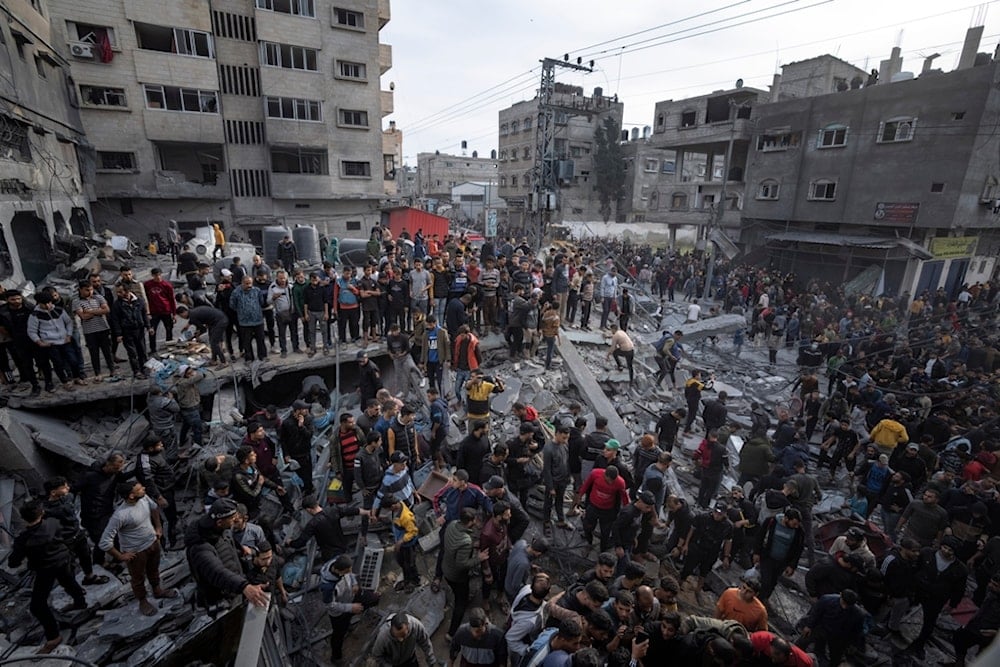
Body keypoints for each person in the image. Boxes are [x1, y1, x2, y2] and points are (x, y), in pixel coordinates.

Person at [7, 500, 88, 654]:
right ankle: (80, 602)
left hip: (45, 569)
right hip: (63, 559)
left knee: (37, 605)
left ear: (24, 519)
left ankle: (53, 637)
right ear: (42, 513)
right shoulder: (53, 523)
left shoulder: (24, 539)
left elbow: (13, 563)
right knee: (68, 581)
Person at [99, 481, 177, 616]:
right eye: (140, 489)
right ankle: (143, 601)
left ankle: (157, 590)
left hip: (152, 542)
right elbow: (104, 542)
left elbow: (154, 508)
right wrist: (120, 556)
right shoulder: (120, 515)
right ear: (131, 495)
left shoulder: (144, 498)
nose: (144, 489)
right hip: (136, 552)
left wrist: (158, 527)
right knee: (138, 578)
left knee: (154, 570)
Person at [185, 498, 269, 614]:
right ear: (219, 522)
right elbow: (217, 572)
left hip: (235, 585)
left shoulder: (220, 528)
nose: (235, 521)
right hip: (222, 596)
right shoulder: (200, 548)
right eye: (232, 519)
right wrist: (244, 587)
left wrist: (241, 549)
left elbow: (227, 546)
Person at [908, 537, 969, 659]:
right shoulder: (927, 553)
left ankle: (919, 645)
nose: (946, 551)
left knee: (929, 623)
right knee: (905, 610)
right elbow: (914, 568)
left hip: (936, 599)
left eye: (950, 550)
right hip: (918, 591)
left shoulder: (961, 569)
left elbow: (959, 590)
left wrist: (953, 604)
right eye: (944, 547)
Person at [73, 451, 127, 568]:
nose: (117, 470)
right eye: (115, 468)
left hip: (107, 512)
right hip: (91, 515)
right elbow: (74, 489)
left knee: (114, 535)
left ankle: (116, 559)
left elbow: (125, 480)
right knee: (101, 539)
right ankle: (99, 562)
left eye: (119, 468)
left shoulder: (116, 474)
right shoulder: (90, 477)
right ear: (107, 464)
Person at [324, 554, 378, 663]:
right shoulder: (328, 587)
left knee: (374, 598)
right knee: (338, 635)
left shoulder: (337, 561)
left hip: (350, 597)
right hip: (339, 613)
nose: (350, 572)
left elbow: (351, 574)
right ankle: (336, 657)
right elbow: (330, 605)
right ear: (339, 571)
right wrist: (350, 608)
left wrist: (354, 583)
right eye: (347, 571)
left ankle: (349, 621)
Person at [285, 494, 370, 561]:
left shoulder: (312, 524)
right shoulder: (333, 510)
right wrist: (368, 512)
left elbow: (301, 542)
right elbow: (351, 511)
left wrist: (290, 543)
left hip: (329, 554)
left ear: (308, 510)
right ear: (317, 503)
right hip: (342, 545)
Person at [797, 590, 866, 667]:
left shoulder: (858, 614)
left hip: (839, 635)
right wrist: (809, 626)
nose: (845, 606)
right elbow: (815, 613)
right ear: (840, 595)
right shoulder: (827, 600)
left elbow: (857, 631)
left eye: (848, 605)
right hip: (822, 627)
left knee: (836, 657)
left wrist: (854, 644)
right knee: (803, 641)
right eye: (844, 603)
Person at [680, 501, 734, 596]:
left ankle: (698, 591)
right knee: (688, 567)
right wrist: (686, 544)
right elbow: (692, 529)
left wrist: (726, 556)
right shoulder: (703, 517)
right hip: (698, 546)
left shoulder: (728, 526)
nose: (717, 515)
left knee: (704, 572)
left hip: (712, 551)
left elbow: (728, 541)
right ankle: (679, 583)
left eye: (720, 514)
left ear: (725, 514)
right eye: (716, 512)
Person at [135, 435, 179, 548]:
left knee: (172, 515)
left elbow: (162, 462)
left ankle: (171, 537)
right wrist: (158, 497)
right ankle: (168, 542)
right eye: (159, 445)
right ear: (150, 448)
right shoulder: (145, 462)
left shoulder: (155, 454)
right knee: (165, 518)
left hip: (167, 487)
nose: (162, 446)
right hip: (161, 492)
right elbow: (148, 481)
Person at [753, 508, 805, 601]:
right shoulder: (771, 522)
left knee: (772, 582)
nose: (796, 526)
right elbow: (760, 536)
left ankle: (763, 599)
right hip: (767, 557)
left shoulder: (799, 531)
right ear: (786, 519)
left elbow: (798, 550)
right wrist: (756, 552)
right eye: (794, 524)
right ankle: (757, 600)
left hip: (782, 562)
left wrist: (792, 566)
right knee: (766, 581)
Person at [576, 464, 630, 552]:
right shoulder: (595, 474)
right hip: (593, 506)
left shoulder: (620, 482)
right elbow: (586, 485)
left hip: (608, 510)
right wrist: (580, 496)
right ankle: (589, 543)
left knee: (605, 533)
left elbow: (624, 497)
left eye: (613, 481)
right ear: (605, 475)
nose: (611, 483)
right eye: (609, 480)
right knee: (587, 526)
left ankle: (603, 550)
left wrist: (626, 509)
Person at [72, 280, 116, 379]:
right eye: (87, 290)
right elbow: (83, 316)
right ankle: (97, 373)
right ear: (81, 290)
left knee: (107, 352)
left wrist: (90, 311)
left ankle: (112, 370)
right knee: (94, 353)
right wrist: (98, 311)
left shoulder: (99, 297)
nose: (90, 292)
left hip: (103, 328)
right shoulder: (76, 301)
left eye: (91, 290)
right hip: (89, 331)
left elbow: (106, 310)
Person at [508, 573, 552, 665]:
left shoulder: (526, 589)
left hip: (514, 622)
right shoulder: (530, 622)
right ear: (548, 593)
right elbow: (510, 638)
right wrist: (526, 650)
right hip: (523, 640)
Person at [380, 494, 420, 592]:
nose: (388, 511)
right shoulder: (398, 507)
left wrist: (401, 541)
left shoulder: (406, 517)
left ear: (393, 506)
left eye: (388, 509)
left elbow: (413, 531)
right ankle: (407, 580)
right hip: (400, 541)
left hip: (407, 544)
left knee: (410, 563)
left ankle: (414, 581)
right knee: (402, 562)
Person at [372, 612, 438, 667]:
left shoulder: (416, 626)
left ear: (408, 626)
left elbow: (425, 642)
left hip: (410, 658)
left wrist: (431, 660)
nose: (400, 640)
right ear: (391, 629)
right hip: (393, 664)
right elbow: (377, 655)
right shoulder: (383, 636)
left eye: (403, 636)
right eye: (396, 637)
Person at [279, 400, 315, 495]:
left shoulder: (308, 419)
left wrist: (301, 426)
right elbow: (283, 440)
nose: (306, 410)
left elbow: (309, 435)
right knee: (301, 473)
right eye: (304, 409)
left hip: (305, 452)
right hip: (294, 454)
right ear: (297, 411)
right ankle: (306, 487)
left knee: (308, 473)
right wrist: (286, 454)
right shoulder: (287, 423)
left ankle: (309, 488)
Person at [230, 275, 267, 362]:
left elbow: (261, 302)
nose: (249, 285)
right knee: (246, 341)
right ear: (242, 283)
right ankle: (249, 358)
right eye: (246, 284)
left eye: (250, 283)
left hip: (258, 320)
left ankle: (262, 356)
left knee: (261, 339)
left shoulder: (257, 291)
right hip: (244, 322)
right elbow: (232, 305)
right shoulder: (236, 292)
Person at [542, 425, 573, 529]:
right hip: (554, 481)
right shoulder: (549, 449)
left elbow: (567, 462)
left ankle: (561, 520)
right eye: (564, 437)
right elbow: (546, 469)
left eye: (567, 438)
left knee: (560, 501)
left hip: (563, 480)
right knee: (548, 503)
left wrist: (568, 477)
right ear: (557, 434)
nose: (566, 440)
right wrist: (550, 487)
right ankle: (546, 521)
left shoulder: (564, 445)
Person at [330, 412, 365, 503]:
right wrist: (337, 471)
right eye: (350, 422)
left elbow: (364, 443)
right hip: (346, 468)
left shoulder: (356, 430)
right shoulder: (335, 438)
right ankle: (349, 507)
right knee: (347, 489)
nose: (353, 424)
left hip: (359, 465)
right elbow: (334, 455)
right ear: (343, 423)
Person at [144, 267, 176, 354]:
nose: (158, 277)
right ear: (152, 276)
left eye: (159, 275)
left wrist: (174, 313)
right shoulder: (147, 285)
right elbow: (144, 297)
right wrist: (146, 312)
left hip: (166, 310)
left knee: (169, 329)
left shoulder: (167, 285)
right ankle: (153, 349)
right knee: (152, 331)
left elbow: (172, 299)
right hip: (154, 312)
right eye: (155, 275)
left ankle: (169, 347)